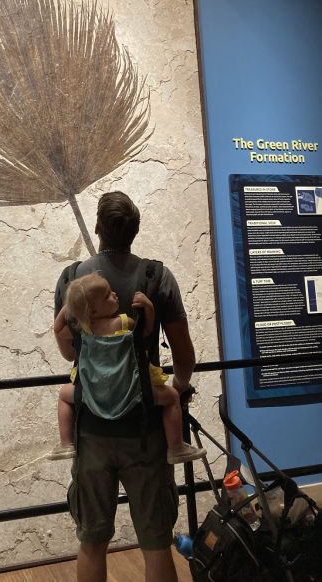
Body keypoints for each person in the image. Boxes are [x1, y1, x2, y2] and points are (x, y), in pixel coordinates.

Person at [53, 191, 197, 582]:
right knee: (155, 542)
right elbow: (184, 357)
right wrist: (177, 393)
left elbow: (69, 354)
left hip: (92, 431)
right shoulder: (157, 277)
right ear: (135, 230)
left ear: (97, 228)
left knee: (92, 541)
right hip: (147, 429)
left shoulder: (72, 280)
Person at [51, 273, 205, 465]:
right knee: (172, 397)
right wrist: (148, 307)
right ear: (92, 311)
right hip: (131, 393)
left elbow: (58, 329)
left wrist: (70, 307)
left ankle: (66, 443)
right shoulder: (123, 322)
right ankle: (175, 448)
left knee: (64, 395)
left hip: (94, 395)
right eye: (107, 295)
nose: (114, 294)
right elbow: (146, 333)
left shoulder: (85, 329)